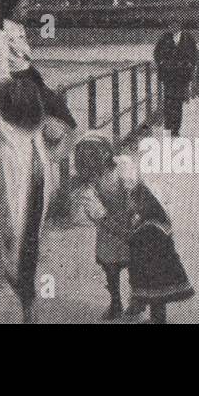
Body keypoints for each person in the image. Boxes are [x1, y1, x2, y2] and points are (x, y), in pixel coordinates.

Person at [0, 75, 58, 323]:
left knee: (7, 251)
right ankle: (28, 307)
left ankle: (27, 303)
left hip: (12, 192)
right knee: (27, 250)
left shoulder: (2, 129)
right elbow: (58, 134)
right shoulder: (37, 128)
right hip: (34, 190)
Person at [0, 0, 78, 134]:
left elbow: (24, 59)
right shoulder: (1, 33)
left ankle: (74, 142)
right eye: (23, 7)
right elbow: (2, 71)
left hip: (30, 77)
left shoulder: (18, 27)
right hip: (20, 83)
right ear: (12, 9)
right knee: (55, 115)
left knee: (60, 111)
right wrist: (14, 99)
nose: (27, 10)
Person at [72, 133, 135, 320]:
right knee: (111, 266)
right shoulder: (87, 184)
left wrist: (131, 212)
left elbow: (132, 191)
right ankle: (116, 301)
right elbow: (96, 211)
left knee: (132, 264)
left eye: (95, 154)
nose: (92, 160)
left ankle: (135, 300)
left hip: (129, 220)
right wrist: (120, 229)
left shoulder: (123, 165)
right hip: (111, 228)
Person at [126, 180, 194, 323]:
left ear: (142, 204)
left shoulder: (149, 227)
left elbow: (138, 245)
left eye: (132, 201)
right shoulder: (157, 221)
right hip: (161, 269)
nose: (130, 205)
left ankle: (157, 320)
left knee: (156, 296)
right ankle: (157, 318)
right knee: (158, 298)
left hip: (154, 271)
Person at [153, 24, 198, 137]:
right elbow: (156, 53)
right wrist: (162, 63)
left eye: (175, 25)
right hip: (168, 75)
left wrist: (190, 65)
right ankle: (168, 129)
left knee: (178, 103)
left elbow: (195, 54)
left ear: (180, 26)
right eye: (170, 25)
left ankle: (176, 130)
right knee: (168, 102)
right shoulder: (164, 38)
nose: (172, 27)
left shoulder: (188, 38)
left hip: (182, 76)